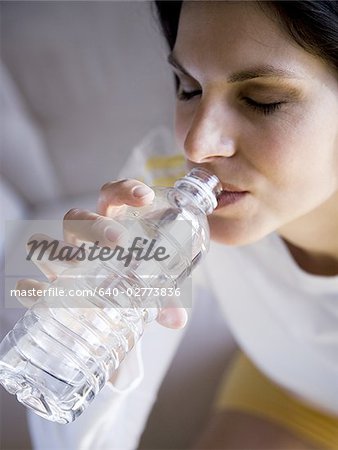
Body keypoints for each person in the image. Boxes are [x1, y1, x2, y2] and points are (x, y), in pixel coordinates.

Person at [16, 1, 338, 449]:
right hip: (292, 390)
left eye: (262, 101)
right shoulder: (162, 189)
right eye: (188, 89)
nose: (198, 145)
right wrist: (93, 348)